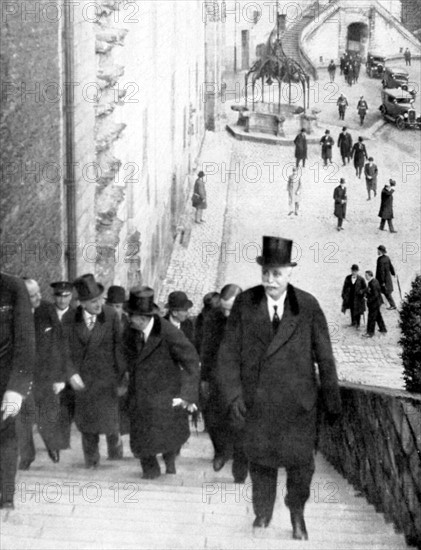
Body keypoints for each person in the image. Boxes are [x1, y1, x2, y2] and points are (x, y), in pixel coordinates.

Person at [216, 236, 341, 540]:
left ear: (289, 273)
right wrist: (233, 396)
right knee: (261, 462)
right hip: (257, 402)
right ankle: (263, 511)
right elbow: (228, 354)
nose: (270, 280)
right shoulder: (246, 303)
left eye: (277, 274)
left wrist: (332, 402)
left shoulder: (307, 306)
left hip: (299, 405)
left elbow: (324, 356)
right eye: (266, 273)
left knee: (300, 466)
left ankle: (297, 513)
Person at [123, 286, 199, 479]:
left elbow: (191, 360)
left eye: (130, 315)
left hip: (164, 394)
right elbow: (123, 355)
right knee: (141, 434)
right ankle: (149, 467)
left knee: (167, 434)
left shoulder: (169, 333)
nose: (128, 319)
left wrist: (187, 394)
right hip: (139, 394)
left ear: (141, 317)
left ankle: (169, 458)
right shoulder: (130, 331)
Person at [65, 274, 127, 468]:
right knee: (87, 424)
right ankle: (91, 461)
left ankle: (115, 447)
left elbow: (119, 347)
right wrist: (70, 373)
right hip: (83, 379)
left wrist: (122, 376)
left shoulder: (110, 315)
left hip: (107, 378)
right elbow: (62, 350)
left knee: (110, 421)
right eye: (93, 301)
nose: (98, 304)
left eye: (100, 299)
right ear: (82, 303)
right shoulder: (69, 319)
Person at [17, 279, 67, 470]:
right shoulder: (10, 313)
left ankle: (51, 444)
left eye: (39, 292)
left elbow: (59, 342)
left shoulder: (46, 310)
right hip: (21, 374)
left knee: (47, 415)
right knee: (22, 417)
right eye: (33, 295)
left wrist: (60, 377)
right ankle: (27, 455)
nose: (39, 297)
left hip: (45, 374)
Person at [201, 284, 247, 482]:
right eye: (224, 308)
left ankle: (240, 466)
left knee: (240, 424)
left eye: (231, 308)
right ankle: (221, 451)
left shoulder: (253, 320)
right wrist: (204, 378)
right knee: (213, 419)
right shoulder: (212, 319)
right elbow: (207, 350)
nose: (228, 313)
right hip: (217, 378)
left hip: (242, 381)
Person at [0, 272, 35, 509]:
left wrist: (16, 389)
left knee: (4, 437)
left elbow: (25, 341)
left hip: (4, 383)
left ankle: (5, 498)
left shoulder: (12, 288)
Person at [50, 281, 75, 451]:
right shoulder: (45, 313)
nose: (61, 300)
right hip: (48, 367)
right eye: (59, 296)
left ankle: (63, 440)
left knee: (67, 404)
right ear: (54, 296)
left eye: (65, 296)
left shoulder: (76, 316)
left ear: (71, 297)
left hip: (69, 367)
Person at [105, 285, 131, 456]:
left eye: (119, 307)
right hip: (107, 374)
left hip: (126, 374)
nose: (115, 310)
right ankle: (114, 447)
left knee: (126, 411)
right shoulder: (102, 323)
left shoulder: (130, 325)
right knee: (110, 411)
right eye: (112, 306)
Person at [362, 271, 387, 338]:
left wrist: (368, 299)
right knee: (378, 316)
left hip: (374, 303)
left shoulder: (372, 283)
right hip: (377, 302)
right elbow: (371, 291)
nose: (365, 277)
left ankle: (370, 333)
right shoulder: (374, 281)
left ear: (370, 275)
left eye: (366, 276)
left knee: (371, 318)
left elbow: (375, 295)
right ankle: (383, 329)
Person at [376, 245, 397, 310]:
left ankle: (393, 305)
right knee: (385, 292)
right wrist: (393, 273)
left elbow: (381, 272)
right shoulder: (387, 258)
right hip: (387, 278)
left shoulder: (380, 260)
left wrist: (382, 282)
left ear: (380, 251)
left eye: (378, 250)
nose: (377, 251)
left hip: (382, 280)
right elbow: (391, 266)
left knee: (386, 292)